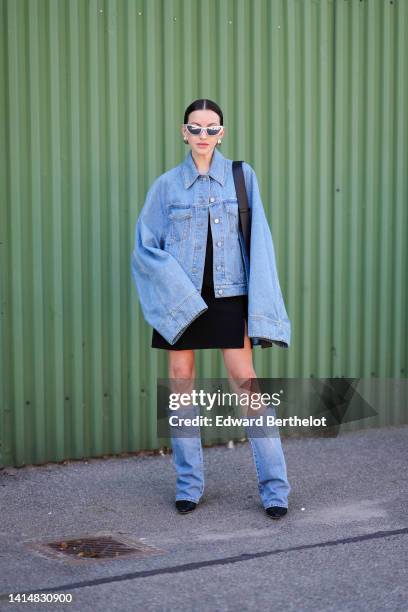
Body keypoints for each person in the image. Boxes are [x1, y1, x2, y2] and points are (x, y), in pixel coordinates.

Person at [131, 98, 291, 518]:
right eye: (195, 128)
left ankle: (275, 490)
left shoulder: (242, 177)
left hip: (228, 295)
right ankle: (188, 486)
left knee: (247, 383)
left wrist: (263, 309)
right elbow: (145, 247)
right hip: (180, 298)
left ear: (222, 133)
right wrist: (176, 296)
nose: (203, 135)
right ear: (184, 132)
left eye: (211, 128)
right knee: (181, 383)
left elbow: (260, 242)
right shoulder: (166, 186)